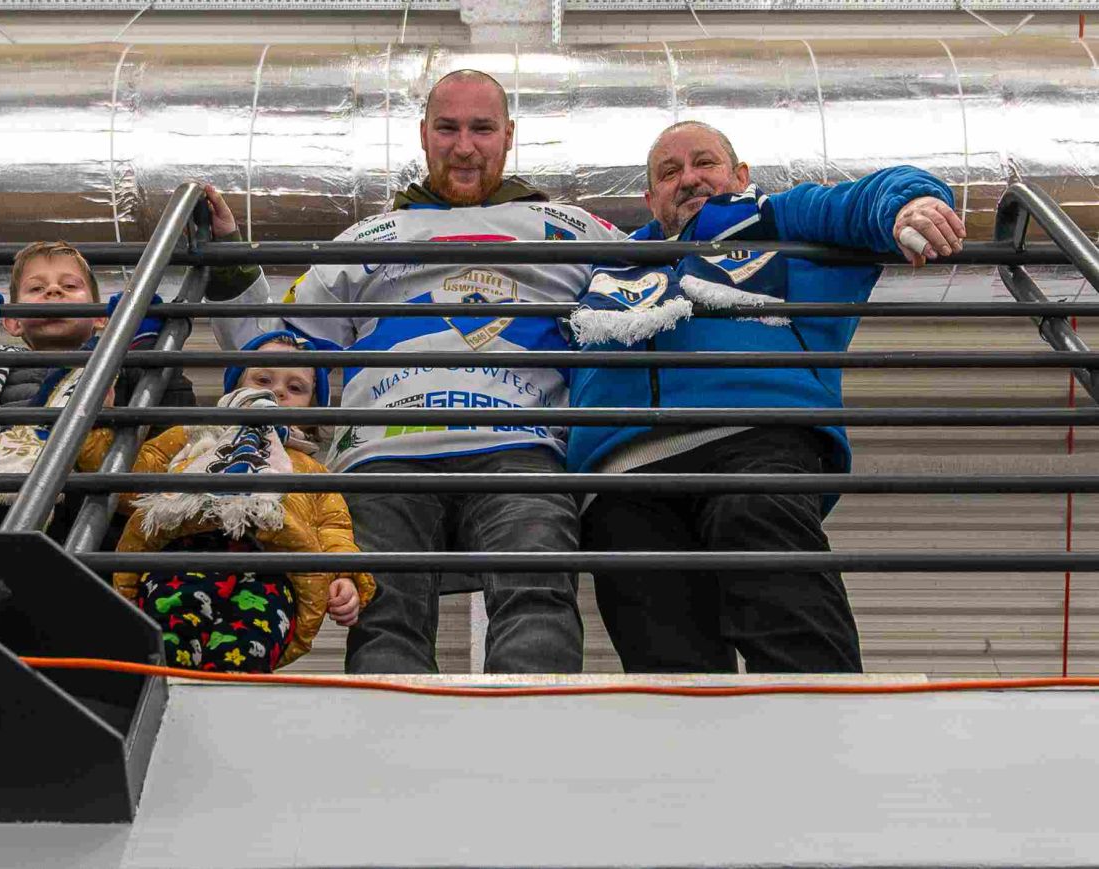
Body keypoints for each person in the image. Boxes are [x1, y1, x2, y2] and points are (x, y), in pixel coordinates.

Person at [204, 69, 626, 674]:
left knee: (537, 594)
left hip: (522, 447)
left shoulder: (575, 228)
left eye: (482, 129)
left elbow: (653, 294)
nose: (464, 146)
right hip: (383, 456)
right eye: (447, 128)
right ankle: (394, 732)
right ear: (423, 134)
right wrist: (226, 254)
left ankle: (532, 725)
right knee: (385, 617)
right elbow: (271, 349)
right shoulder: (367, 237)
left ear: (509, 136)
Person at [567, 120, 965, 674]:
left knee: (790, 618)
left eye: (705, 162)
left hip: (753, 439)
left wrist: (912, 204)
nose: (689, 178)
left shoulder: (776, 219)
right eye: (669, 172)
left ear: (740, 175)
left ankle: (826, 721)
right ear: (650, 198)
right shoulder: (608, 265)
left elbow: (865, 197)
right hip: (622, 478)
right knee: (667, 673)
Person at [82, 333, 375, 672]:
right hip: (182, 553)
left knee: (246, 652)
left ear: (310, 414)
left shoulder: (312, 470)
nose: (278, 392)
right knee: (170, 639)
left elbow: (334, 528)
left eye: (296, 388)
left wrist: (344, 575)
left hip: (274, 573)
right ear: (234, 387)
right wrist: (99, 420)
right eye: (263, 380)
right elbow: (129, 478)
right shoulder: (193, 436)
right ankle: (159, 692)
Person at [0, 240, 196, 544]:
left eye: (70, 286)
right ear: (13, 322)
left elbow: (168, 421)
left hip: (79, 526)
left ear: (101, 318)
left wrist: (145, 343)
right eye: (36, 289)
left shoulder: (121, 370)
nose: (53, 291)